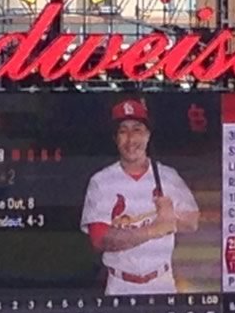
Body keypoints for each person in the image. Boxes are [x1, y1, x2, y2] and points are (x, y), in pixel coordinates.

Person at [81, 98, 200, 296]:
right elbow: (100, 239)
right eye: (123, 131)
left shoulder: (167, 176)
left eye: (137, 130)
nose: (130, 140)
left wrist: (172, 217)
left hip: (162, 282)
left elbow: (193, 222)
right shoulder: (101, 181)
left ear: (147, 135)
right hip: (120, 285)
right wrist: (155, 229)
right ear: (115, 138)